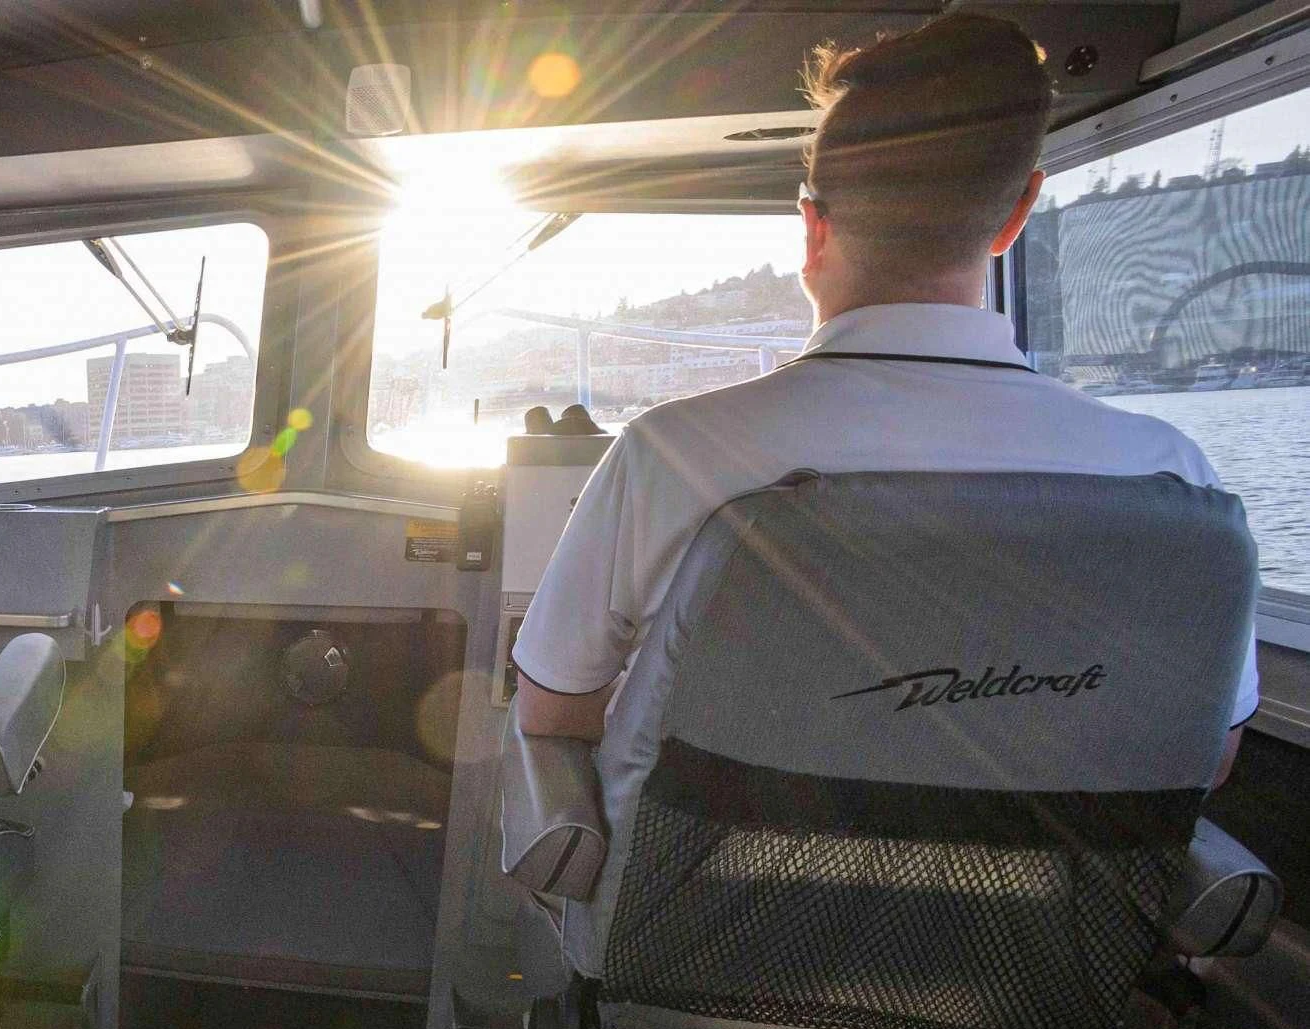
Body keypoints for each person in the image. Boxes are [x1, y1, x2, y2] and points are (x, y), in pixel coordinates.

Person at [512, 11, 1257, 781]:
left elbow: (551, 713)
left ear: (812, 229)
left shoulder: (674, 452)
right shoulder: (1173, 479)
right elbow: (1211, 750)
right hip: (1050, 903)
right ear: (1016, 213)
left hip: (723, 896)